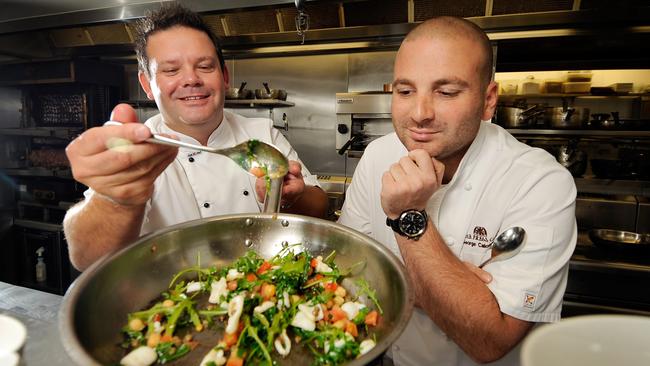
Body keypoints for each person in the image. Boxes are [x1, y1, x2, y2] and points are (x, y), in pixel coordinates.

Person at [338, 16, 577, 365]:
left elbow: (490, 338)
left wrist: (409, 215)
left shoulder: (540, 182)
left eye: (446, 92)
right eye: (405, 91)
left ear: (488, 99)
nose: (420, 113)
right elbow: (348, 270)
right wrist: (455, 286)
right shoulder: (377, 156)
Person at [63, 3, 328, 271]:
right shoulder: (137, 150)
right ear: (147, 85)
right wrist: (117, 200)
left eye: (204, 66)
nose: (191, 79)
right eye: (170, 70)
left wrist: (293, 196)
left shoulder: (261, 134)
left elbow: (320, 207)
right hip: (174, 299)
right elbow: (86, 258)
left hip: (259, 290)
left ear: (224, 77)